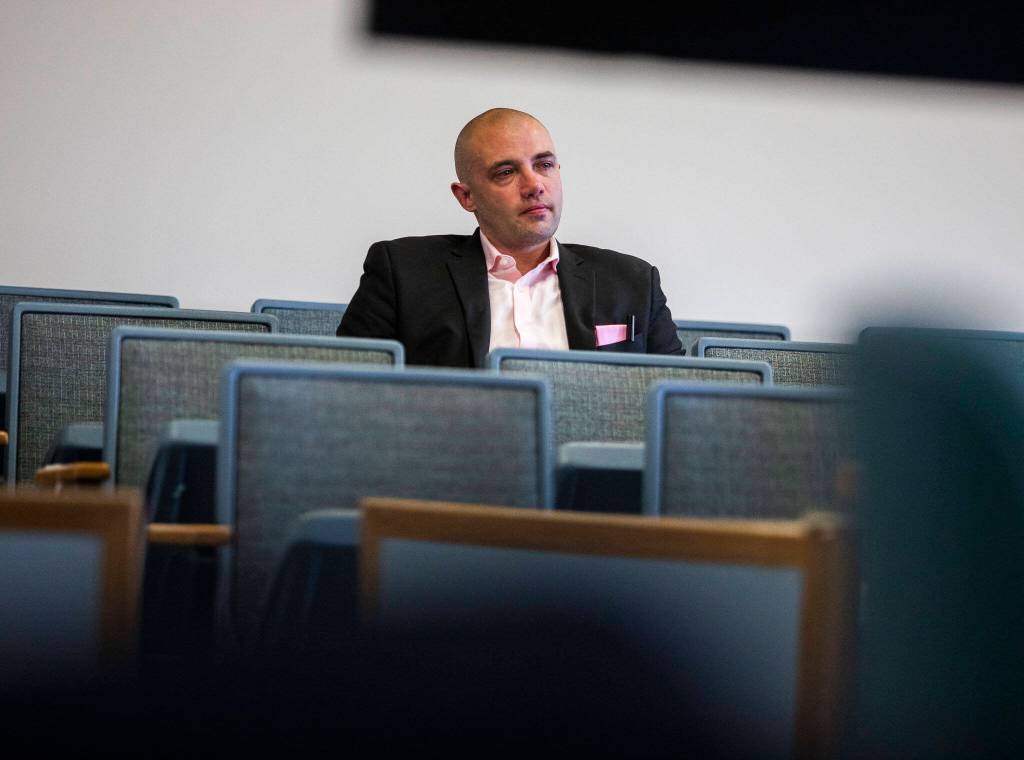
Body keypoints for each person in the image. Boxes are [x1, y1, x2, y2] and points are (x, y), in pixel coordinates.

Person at [338, 108, 682, 367]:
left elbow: (677, 405)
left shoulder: (632, 282)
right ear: (466, 197)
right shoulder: (403, 273)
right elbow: (349, 391)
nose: (534, 185)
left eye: (544, 165)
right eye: (506, 172)